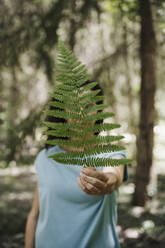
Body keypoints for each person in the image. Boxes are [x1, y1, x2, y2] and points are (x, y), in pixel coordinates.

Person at [25, 80, 128, 248]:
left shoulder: (112, 154)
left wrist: (103, 182)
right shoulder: (45, 158)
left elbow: (113, 177)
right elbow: (35, 215)